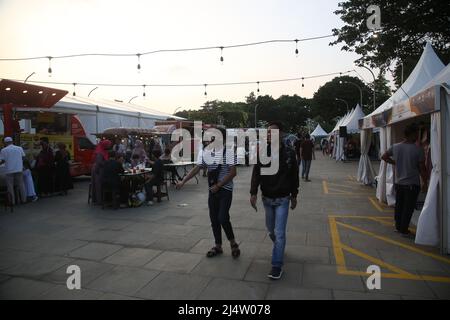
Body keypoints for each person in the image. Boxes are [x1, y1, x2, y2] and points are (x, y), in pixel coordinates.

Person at [177, 128, 241, 259]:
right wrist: (183, 181)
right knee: (214, 219)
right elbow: (197, 168)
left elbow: (233, 172)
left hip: (225, 190)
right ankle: (218, 246)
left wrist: (219, 185)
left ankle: (233, 243)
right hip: (213, 190)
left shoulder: (228, 153)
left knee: (222, 217)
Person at [250, 121, 299, 280]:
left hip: (283, 199)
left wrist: (294, 195)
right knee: (271, 231)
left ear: (281, 134)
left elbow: (294, 176)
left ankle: (277, 265)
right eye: (268, 132)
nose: (269, 134)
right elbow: (256, 173)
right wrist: (253, 193)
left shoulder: (289, 153)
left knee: (279, 233)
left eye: (273, 132)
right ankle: (279, 246)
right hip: (267, 199)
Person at [381, 123, 427, 237]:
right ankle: (404, 229)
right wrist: (425, 182)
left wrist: (395, 163)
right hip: (412, 184)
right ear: (412, 134)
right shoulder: (418, 149)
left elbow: (384, 156)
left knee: (399, 205)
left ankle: (398, 227)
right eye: (416, 133)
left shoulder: (395, 147)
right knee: (408, 207)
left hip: (398, 183)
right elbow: (422, 168)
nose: (418, 135)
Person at [0, 137, 27, 205]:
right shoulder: (19, 148)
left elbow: (2, 160)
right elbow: (23, 157)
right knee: (21, 184)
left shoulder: (3, 150)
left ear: (5, 142)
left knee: (10, 186)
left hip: (9, 170)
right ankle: (24, 200)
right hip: (19, 169)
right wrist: (19, 163)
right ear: (12, 141)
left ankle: (12, 202)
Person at [91, 139, 112, 204]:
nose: (109, 146)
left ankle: (100, 199)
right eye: (108, 145)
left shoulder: (103, 150)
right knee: (98, 185)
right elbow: (99, 163)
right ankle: (99, 200)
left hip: (101, 169)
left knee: (100, 184)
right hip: (98, 170)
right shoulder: (100, 152)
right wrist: (108, 162)